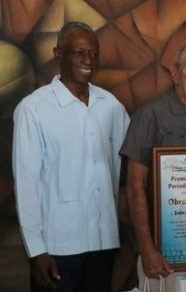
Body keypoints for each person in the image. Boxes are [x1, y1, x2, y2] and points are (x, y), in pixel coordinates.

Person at [12, 21, 129, 292]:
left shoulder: (110, 105)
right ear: (58, 53)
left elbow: (137, 153)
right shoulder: (34, 109)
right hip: (57, 247)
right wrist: (36, 251)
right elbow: (26, 185)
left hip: (104, 241)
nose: (88, 60)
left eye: (94, 54)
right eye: (78, 52)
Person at [120, 43, 186, 292]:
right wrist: (146, 248)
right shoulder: (149, 115)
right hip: (164, 252)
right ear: (175, 73)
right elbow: (135, 187)